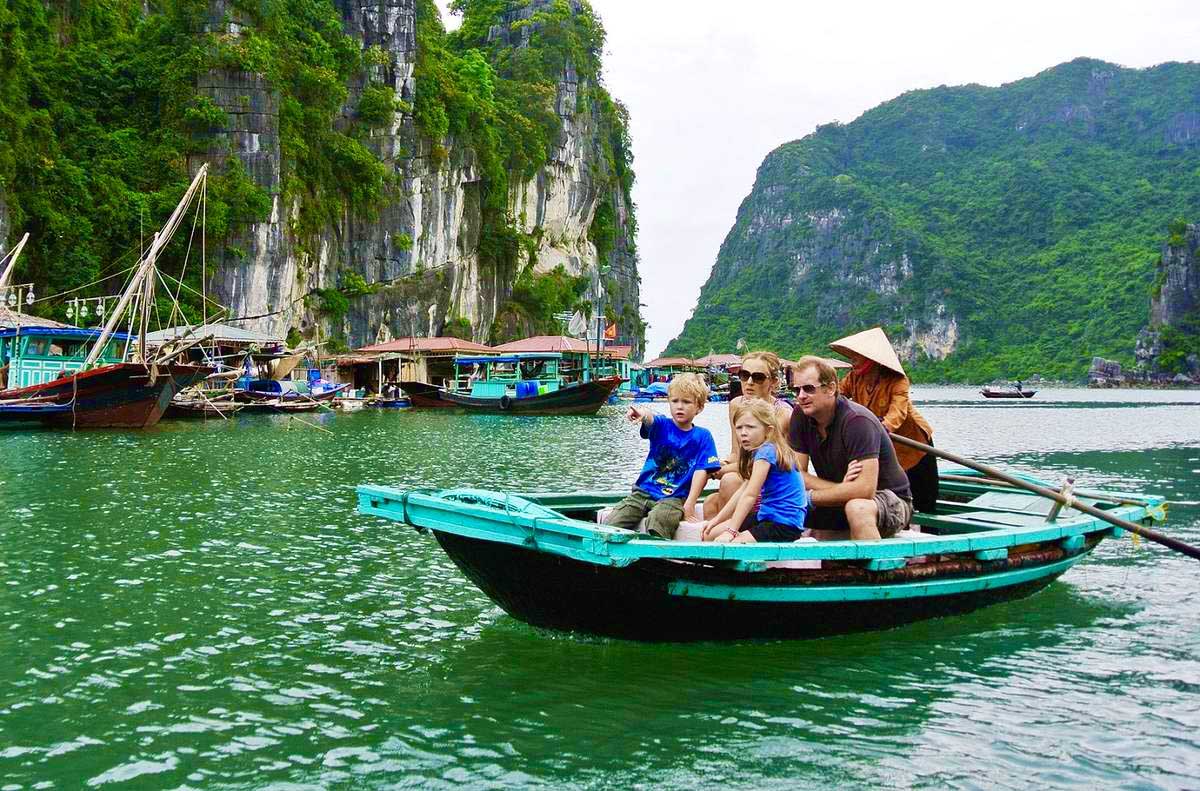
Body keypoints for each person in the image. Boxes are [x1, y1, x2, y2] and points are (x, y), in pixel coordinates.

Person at [787, 356, 914, 541]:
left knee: (858, 508)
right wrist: (843, 488)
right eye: (795, 390)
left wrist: (811, 497)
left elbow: (865, 491)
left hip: (888, 500)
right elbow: (797, 475)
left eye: (808, 389)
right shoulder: (800, 414)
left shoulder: (857, 421)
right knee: (772, 503)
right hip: (841, 495)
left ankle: (877, 568)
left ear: (830, 388)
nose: (801, 396)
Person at [831, 327, 938, 513]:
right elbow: (836, 396)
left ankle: (933, 535)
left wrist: (882, 429)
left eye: (857, 356)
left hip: (914, 444)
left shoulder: (897, 380)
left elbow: (898, 412)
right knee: (890, 492)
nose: (853, 360)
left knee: (925, 498)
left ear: (871, 359)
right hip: (885, 446)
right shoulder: (854, 379)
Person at [605, 373, 722, 539]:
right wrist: (642, 414)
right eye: (675, 401)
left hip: (674, 497)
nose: (679, 407)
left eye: (686, 402)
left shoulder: (703, 436)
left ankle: (654, 552)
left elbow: (701, 471)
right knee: (616, 519)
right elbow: (649, 418)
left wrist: (690, 503)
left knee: (661, 519)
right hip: (643, 491)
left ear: (699, 407)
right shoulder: (662, 425)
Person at [702, 351, 794, 520]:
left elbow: (765, 463)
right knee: (709, 502)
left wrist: (722, 471)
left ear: (773, 382)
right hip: (746, 472)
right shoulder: (736, 405)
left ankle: (731, 534)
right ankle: (717, 540)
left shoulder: (782, 414)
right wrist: (717, 465)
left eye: (758, 377)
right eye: (744, 375)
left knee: (729, 481)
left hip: (770, 481)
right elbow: (737, 453)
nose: (749, 382)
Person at [702, 397, 808, 543]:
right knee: (710, 534)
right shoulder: (759, 451)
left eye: (750, 427)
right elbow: (741, 491)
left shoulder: (767, 452)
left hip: (783, 524)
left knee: (728, 543)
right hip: (766, 517)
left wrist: (731, 532)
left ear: (768, 430)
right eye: (739, 428)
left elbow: (750, 496)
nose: (743, 433)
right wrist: (716, 521)